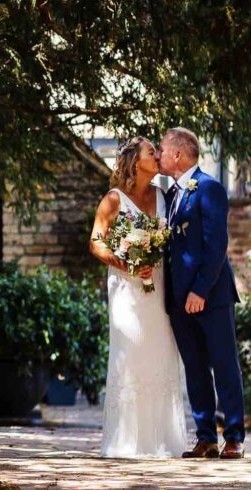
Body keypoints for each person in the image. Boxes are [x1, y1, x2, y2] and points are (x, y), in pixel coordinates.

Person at [90, 137, 188, 458]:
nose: (157, 156)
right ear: (135, 161)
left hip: (159, 289)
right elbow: (96, 242)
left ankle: (162, 441)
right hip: (126, 291)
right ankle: (126, 442)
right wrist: (127, 262)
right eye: (151, 152)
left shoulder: (163, 195)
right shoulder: (113, 200)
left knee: (160, 355)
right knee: (130, 355)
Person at [157, 127, 245, 460]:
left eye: (163, 150)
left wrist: (199, 290)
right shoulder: (169, 197)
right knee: (194, 368)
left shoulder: (209, 188)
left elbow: (217, 245)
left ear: (178, 154)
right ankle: (205, 437)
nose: (160, 155)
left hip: (211, 295)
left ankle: (234, 437)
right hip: (178, 299)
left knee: (224, 366)